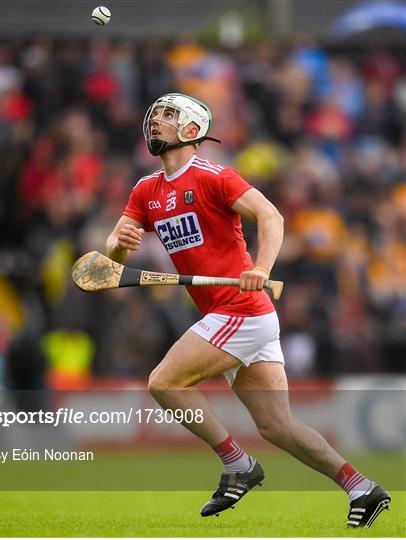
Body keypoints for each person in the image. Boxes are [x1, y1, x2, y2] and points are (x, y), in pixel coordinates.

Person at [106, 93, 390, 527]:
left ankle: (237, 465)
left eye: (168, 116)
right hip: (235, 315)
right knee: (278, 427)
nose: (155, 122)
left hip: (241, 308)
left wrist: (260, 267)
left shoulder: (215, 177)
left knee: (164, 382)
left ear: (191, 130)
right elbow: (110, 265)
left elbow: (271, 217)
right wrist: (118, 245)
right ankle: (362, 488)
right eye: (155, 115)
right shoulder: (145, 191)